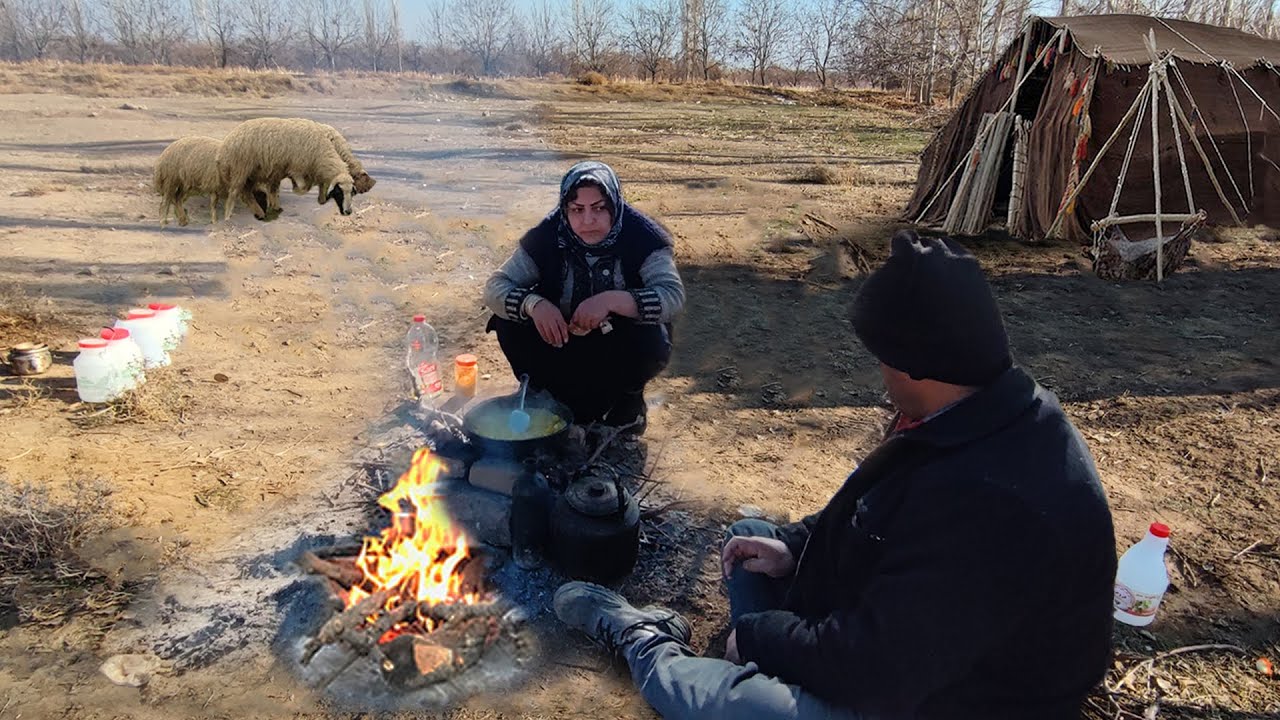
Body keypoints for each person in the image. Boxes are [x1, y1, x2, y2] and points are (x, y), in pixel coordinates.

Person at [553, 231, 1117, 720]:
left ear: (916, 363)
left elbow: (878, 668)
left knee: (722, 699)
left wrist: (760, 637)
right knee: (752, 540)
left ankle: (646, 642)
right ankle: (763, 662)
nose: (880, 371)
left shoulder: (994, 505)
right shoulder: (980, 408)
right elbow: (881, 508)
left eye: (883, 357)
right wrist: (797, 547)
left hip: (943, 701)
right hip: (914, 642)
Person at [484, 161, 684, 432]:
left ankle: (628, 404)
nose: (588, 221)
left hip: (617, 346)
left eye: (599, 208)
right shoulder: (548, 236)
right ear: (565, 210)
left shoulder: (643, 238)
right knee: (507, 320)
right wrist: (534, 304)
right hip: (560, 340)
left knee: (652, 337)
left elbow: (672, 295)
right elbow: (495, 286)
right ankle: (540, 395)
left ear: (614, 205)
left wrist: (610, 301)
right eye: (577, 210)